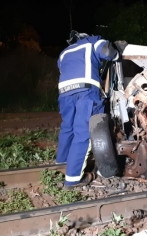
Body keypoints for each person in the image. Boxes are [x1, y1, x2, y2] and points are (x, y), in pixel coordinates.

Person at [56, 30, 120, 189]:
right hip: (86, 91)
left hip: (65, 92)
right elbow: (107, 51)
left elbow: (62, 69)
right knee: (83, 133)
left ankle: (61, 162)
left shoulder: (64, 52)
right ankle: (73, 178)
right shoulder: (92, 41)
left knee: (67, 127)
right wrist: (117, 54)